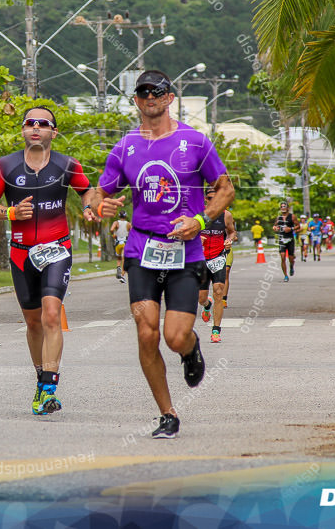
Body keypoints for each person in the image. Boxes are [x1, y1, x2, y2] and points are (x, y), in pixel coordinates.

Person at [92, 69, 234, 439]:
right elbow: (98, 193)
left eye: (157, 91)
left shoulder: (196, 141)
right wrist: (98, 207)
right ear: (136, 100)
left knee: (174, 336)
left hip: (185, 252)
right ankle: (167, 413)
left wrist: (200, 220)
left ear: (171, 97)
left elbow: (225, 189)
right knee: (145, 332)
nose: (150, 96)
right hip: (142, 248)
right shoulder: (125, 147)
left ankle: (191, 349)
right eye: (143, 92)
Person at [0, 106, 97, 416]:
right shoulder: (5, 167)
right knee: (33, 322)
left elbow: (87, 191)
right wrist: (10, 213)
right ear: (22, 130)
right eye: (30, 123)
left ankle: (49, 387)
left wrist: (89, 208)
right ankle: (40, 378)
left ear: (53, 132)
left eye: (43, 123)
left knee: (51, 315)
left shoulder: (68, 165)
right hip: (22, 254)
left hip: (57, 250)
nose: (36, 127)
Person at [197, 188, 236, 343]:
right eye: (209, 198)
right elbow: (185, 232)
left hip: (218, 257)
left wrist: (229, 240)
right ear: (205, 199)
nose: (212, 200)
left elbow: (232, 232)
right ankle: (207, 305)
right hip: (201, 259)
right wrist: (196, 238)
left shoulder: (226, 215)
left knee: (218, 290)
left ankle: (216, 330)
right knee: (201, 297)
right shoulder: (198, 215)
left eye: (216, 197)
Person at [273, 201, 296, 282]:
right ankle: (285, 275)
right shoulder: (278, 218)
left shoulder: (292, 217)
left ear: (287, 208)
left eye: (284, 206)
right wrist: (275, 228)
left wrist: (291, 229)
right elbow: (275, 225)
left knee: (291, 258)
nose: (283, 208)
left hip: (290, 239)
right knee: (282, 257)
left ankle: (291, 265)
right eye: (281, 206)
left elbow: (298, 226)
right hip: (282, 239)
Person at [110, 211, 131, 283]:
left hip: (118, 243)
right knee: (124, 259)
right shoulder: (128, 224)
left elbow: (111, 229)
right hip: (125, 243)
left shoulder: (116, 223)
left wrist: (114, 235)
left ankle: (118, 268)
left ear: (119, 216)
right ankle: (122, 276)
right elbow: (132, 233)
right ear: (125, 216)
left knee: (119, 258)